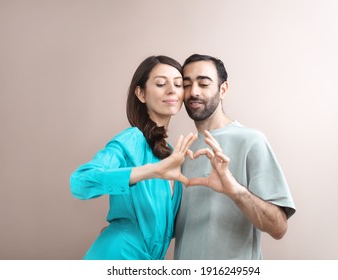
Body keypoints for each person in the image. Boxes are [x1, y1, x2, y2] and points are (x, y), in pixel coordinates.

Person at [70, 55, 197, 260]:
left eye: (178, 84)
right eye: (161, 83)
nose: (172, 90)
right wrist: (153, 171)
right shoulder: (131, 140)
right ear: (141, 93)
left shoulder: (172, 154)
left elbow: (162, 228)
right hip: (117, 256)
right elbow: (81, 182)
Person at [173, 54, 296, 259]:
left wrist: (235, 190)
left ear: (223, 90)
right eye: (186, 85)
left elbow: (279, 227)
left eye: (204, 83)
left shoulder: (251, 141)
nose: (193, 92)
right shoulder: (182, 151)